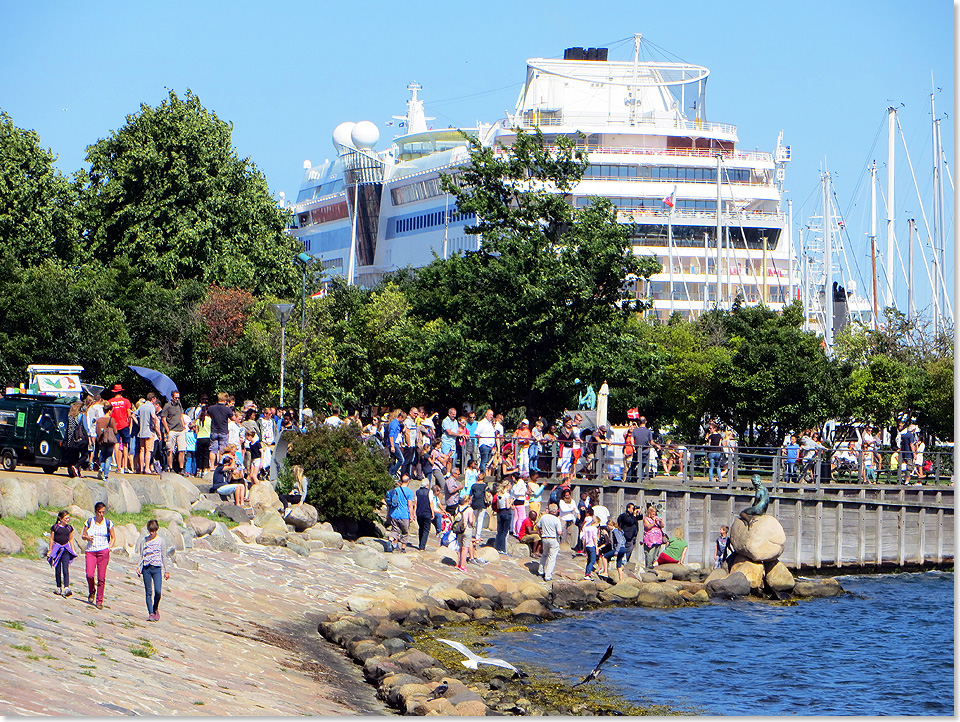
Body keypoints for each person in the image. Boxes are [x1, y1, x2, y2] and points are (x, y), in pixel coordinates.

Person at [81, 502, 115, 609]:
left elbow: (113, 537)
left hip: (103, 551)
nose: (101, 514)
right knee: (89, 574)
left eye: (103, 512)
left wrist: (108, 547)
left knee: (101, 577)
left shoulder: (108, 523)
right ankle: (92, 590)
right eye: (100, 512)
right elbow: (83, 535)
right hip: (91, 550)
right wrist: (87, 538)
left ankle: (99, 600)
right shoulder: (89, 521)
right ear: (96, 512)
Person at [136, 519, 170, 621]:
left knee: (158, 591)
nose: (151, 533)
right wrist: (138, 567)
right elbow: (142, 555)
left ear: (156, 530)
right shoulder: (144, 541)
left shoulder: (161, 541)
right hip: (146, 568)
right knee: (148, 592)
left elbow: (164, 556)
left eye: (153, 531)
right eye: (150, 531)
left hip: (157, 568)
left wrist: (166, 570)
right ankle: (151, 613)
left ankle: (155, 608)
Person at [47, 510, 78, 596]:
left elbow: (70, 539)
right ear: (60, 519)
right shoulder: (55, 527)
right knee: (57, 569)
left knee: (65, 568)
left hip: (65, 549)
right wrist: (50, 550)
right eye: (65, 518)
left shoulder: (69, 528)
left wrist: (73, 550)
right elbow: (51, 539)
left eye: (68, 518)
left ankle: (66, 587)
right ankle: (58, 587)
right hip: (57, 549)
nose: (67, 520)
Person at [108, 384, 133, 475]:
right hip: (124, 424)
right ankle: (125, 466)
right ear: (121, 392)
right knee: (125, 445)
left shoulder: (110, 402)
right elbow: (129, 414)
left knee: (116, 445)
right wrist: (129, 424)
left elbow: (109, 414)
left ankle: (118, 467)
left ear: (114, 392)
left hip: (114, 425)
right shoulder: (126, 401)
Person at [206, 392, 235, 469]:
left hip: (214, 431)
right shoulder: (227, 409)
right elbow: (233, 418)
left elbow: (207, 414)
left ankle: (211, 466)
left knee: (213, 449)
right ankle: (220, 465)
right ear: (225, 400)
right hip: (223, 431)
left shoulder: (211, 408)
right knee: (222, 450)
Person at [386, 477, 415, 552]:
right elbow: (410, 505)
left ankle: (390, 541)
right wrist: (411, 515)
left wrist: (388, 514)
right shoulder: (410, 492)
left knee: (394, 530)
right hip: (404, 515)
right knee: (405, 532)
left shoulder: (395, 490)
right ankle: (403, 548)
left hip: (394, 514)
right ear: (408, 481)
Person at [536, 503, 563, 582]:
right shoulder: (556, 519)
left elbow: (538, 526)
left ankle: (540, 570)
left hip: (544, 538)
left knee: (544, 554)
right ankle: (548, 576)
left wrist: (539, 533)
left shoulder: (543, 517)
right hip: (553, 539)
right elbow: (559, 532)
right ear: (556, 511)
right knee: (552, 558)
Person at [161, 390, 186, 473]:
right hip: (171, 430)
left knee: (182, 450)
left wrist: (183, 426)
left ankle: (181, 468)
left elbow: (181, 416)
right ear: (172, 397)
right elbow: (163, 419)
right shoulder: (167, 406)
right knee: (170, 450)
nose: (177, 399)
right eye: (176, 398)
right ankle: (170, 467)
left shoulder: (179, 405)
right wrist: (168, 431)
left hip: (180, 429)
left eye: (178, 398)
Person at [136, 394, 160, 475]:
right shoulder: (151, 407)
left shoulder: (141, 406)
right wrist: (155, 426)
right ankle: (147, 469)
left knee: (142, 450)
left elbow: (133, 415)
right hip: (149, 432)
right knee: (148, 451)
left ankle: (141, 468)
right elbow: (153, 416)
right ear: (153, 399)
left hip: (141, 431)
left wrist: (139, 424)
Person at [94, 403, 118, 481]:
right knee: (109, 457)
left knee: (103, 455)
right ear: (109, 411)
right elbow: (115, 431)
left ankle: (101, 468)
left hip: (102, 440)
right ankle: (106, 475)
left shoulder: (99, 420)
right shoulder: (112, 420)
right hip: (110, 441)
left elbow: (97, 432)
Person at [452, 498, 475, 571]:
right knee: (465, 548)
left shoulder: (458, 508)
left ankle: (458, 564)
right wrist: (473, 524)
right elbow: (470, 521)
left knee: (460, 547)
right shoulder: (469, 509)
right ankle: (463, 565)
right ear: (468, 501)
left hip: (459, 529)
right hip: (467, 529)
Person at [641, 504, 665, 571]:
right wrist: (654, 522)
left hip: (658, 540)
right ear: (649, 513)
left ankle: (654, 569)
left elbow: (662, 526)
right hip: (650, 540)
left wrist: (660, 521)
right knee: (649, 555)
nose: (653, 514)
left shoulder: (657, 518)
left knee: (655, 555)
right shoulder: (646, 519)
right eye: (652, 512)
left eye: (654, 512)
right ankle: (648, 568)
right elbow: (648, 527)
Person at [415, 481, 435, 551]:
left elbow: (416, 503)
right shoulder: (429, 492)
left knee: (421, 528)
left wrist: (414, 512)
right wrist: (433, 513)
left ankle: (420, 543)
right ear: (427, 485)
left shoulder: (417, 492)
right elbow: (431, 503)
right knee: (426, 529)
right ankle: (422, 546)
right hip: (427, 512)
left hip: (419, 512)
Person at [494, 481, 513, 554]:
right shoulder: (507, 494)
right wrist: (511, 501)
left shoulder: (499, 494)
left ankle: (497, 547)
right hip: (506, 513)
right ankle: (502, 549)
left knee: (499, 531)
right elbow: (508, 506)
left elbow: (498, 506)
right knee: (504, 532)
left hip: (500, 512)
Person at [581, 514, 600, 580]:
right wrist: (597, 547)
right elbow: (594, 538)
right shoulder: (594, 529)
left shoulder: (587, 528)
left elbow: (584, 538)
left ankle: (587, 573)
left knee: (589, 560)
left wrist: (584, 548)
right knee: (592, 560)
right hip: (592, 546)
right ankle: (588, 574)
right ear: (596, 522)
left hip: (587, 545)